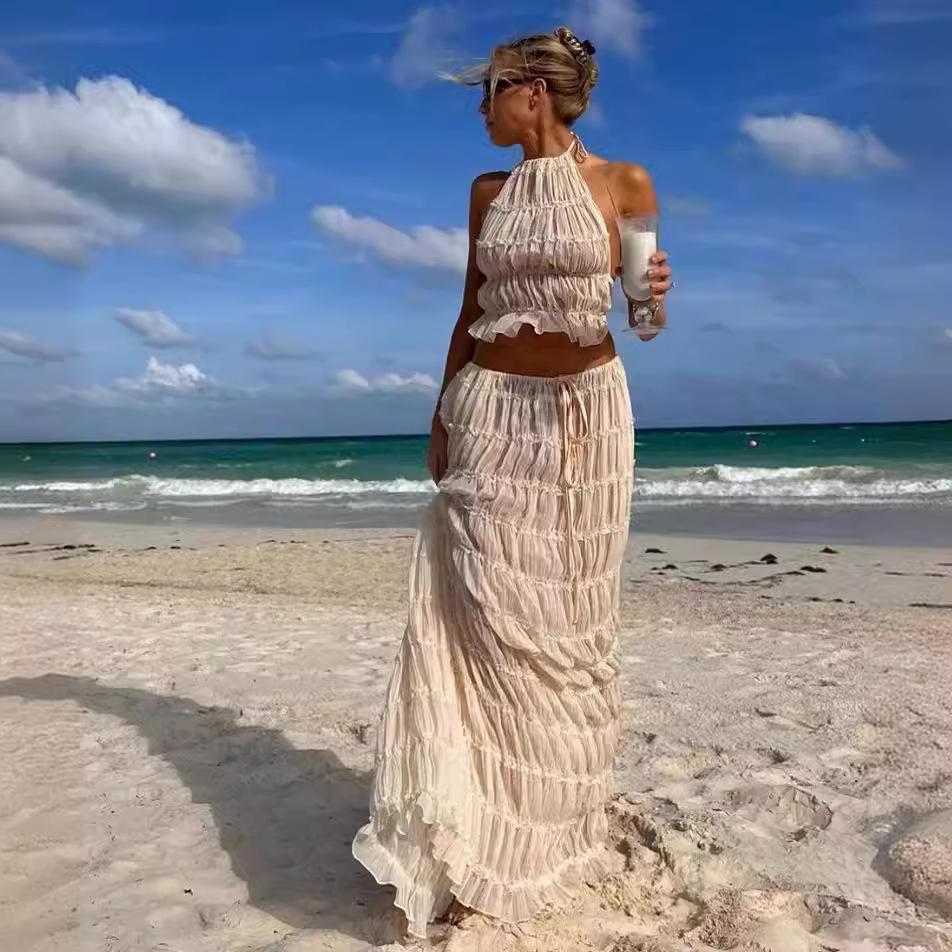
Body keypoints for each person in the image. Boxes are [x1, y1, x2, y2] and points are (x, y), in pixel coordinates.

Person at [352, 25, 674, 939]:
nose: (481, 109)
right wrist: (442, 411)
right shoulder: (486, 193)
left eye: (488, 90)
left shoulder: (626, 183)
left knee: (566, 624)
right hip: (491, 410)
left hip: (584, 424)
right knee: (486, 619)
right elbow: (470, 306)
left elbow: (643, 319)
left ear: (532, 90)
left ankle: (556, 823)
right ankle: (481, 839)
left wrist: (655, 292)